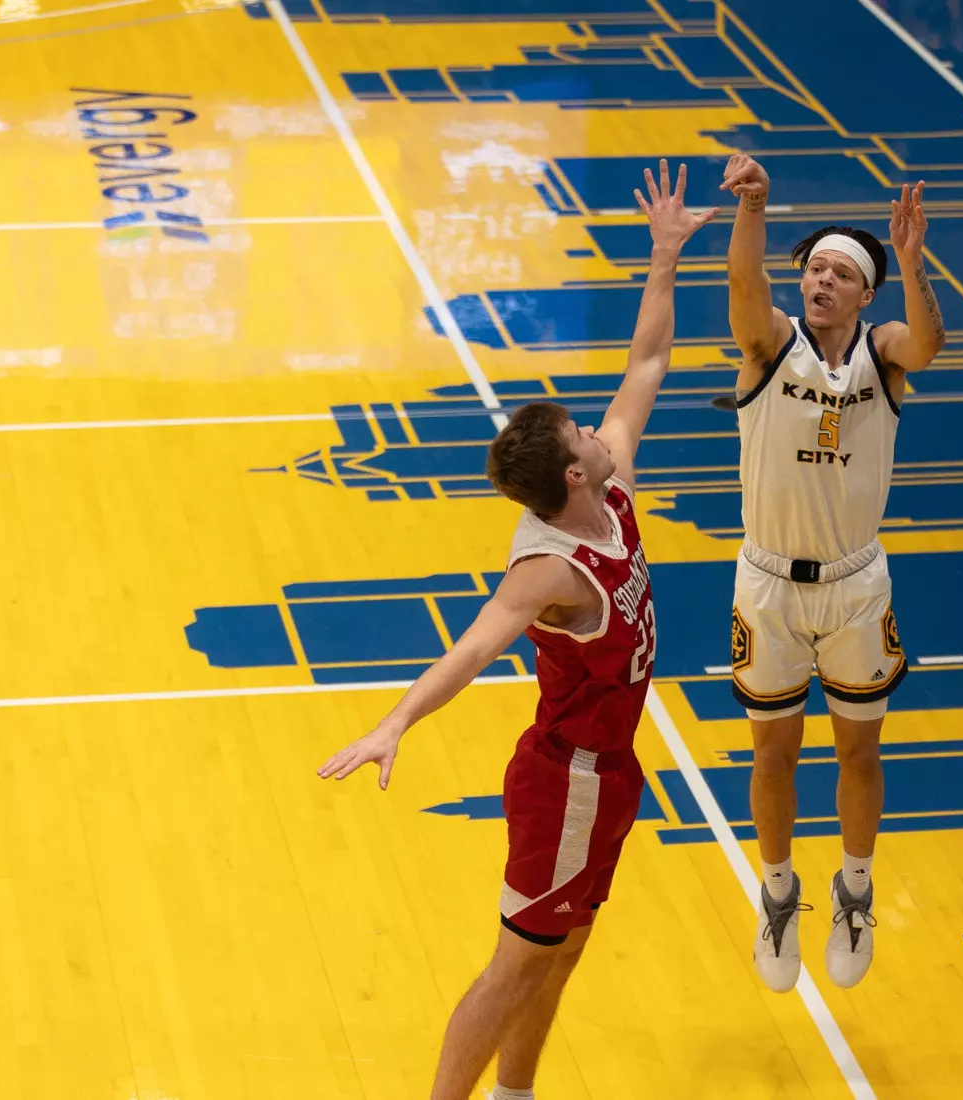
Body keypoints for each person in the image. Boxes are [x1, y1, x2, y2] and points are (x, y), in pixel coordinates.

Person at [318, 160, 716, 1100]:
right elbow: (474, 647)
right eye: (583, 433)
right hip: (565, 780)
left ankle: (515, 1094)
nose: (596, 430)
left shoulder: (606, 483)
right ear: (571, 477)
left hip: (610, 771)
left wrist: (663, 259)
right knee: (515, 966)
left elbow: (647, 364)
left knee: (564, 951)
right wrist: (396, 723)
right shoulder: (549, 568)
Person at [718, 153, 945, 992]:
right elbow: (745, 291)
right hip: (769, 581)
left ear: (865, 293)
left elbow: (928, 343)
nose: (821, 279)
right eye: (813, 267)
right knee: (773, 753)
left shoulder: (884, 355)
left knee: (859, 751)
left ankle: (855, 884)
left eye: (840, 272)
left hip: (854, 584)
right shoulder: (770, 345)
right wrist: (755, 207)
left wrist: (914, 264)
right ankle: (778, 894)